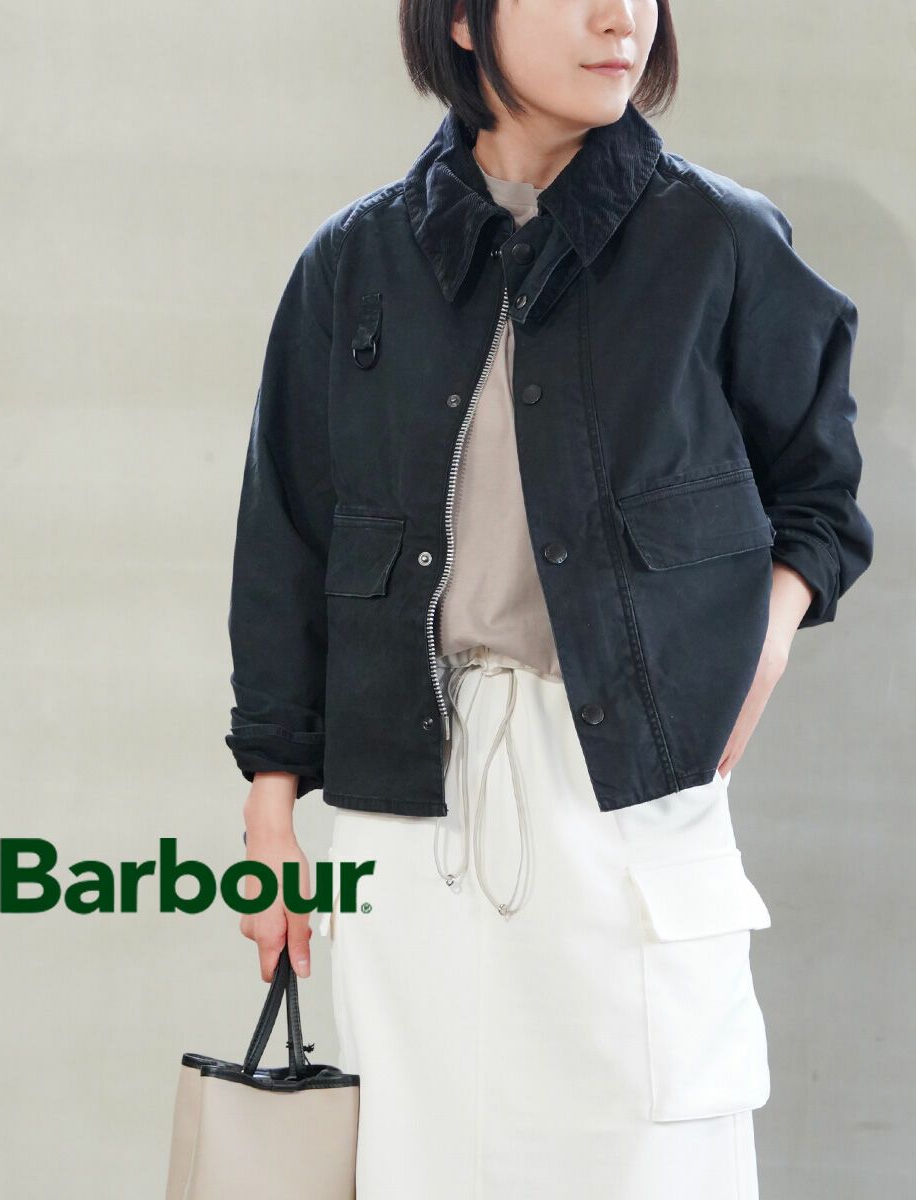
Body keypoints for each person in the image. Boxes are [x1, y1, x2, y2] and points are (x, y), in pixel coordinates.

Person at [226, 2, 874, 1196]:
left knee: (648, 1157)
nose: (619, 17)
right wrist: (271, 818)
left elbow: (818, 496)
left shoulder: (719, 243)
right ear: (463, 23)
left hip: (625, 797)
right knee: (428, 1163)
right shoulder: (354, 266)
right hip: (411, 814)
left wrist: (768, 642)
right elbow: (285, 545)